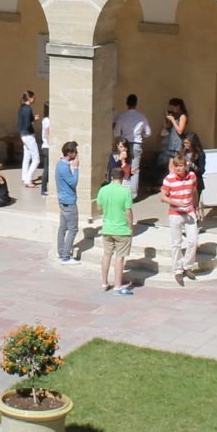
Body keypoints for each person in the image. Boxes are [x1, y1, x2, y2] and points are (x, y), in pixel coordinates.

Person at [95, 166, 136, 296]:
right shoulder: (125, 192)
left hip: (107, 228)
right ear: (123, 178)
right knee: (119, 257)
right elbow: (128, 211)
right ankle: (117, 286)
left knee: (106, 255)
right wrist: (131, 225)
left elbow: (98, 208)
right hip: (122, 229)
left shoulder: (103, 190)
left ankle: (104, 282)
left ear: (112, 177)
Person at [161, 152, 200, 284]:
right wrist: (176, 203)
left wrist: (197, 207)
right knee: (176, 243)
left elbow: (194, 192)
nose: (178, 169)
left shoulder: (192, 176)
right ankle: (177, 270)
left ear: (185, 166)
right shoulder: (169, 179)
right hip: (175, 213)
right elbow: (163, 197)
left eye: (180, 166)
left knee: (193, 241)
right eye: (176, 166)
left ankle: (187, 266)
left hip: (189, 212)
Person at [113, 94, 151, 199]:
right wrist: (140, 136)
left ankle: (121, 191)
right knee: (135, 169)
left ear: (126, 103)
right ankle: (132, 195)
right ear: (136, 103)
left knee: (123, 166)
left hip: (124, 144)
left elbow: (116, 133)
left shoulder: (122, 117)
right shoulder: (141, 117)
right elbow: (148, 132)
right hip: (136, 144)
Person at [54, 141, 80, 265]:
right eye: (75, 151)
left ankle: (61, 252)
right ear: (70, 153)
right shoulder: (64, 167)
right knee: (73, 229)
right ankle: (65, 257)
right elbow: (73, 182)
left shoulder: (60, 164)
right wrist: (76, 169)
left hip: (62, 200)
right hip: (69, 202)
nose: (77, 153)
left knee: (63, 228)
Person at [155, 97, 188, 192]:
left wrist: (173, 120)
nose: (172, 109)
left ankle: (178, 186)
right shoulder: (175, 116)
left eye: (173, 107)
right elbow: (166, 127)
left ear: (178, 106)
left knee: (178, 165)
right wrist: (166, 118)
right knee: (171, 166)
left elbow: (180, 130)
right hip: (171, 143)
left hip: (178, 144)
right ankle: (172, 186)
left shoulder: (182, 116)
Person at [16, 90, 40, 187]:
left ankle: (25, 176)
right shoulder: (28, 109)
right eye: (33, 97)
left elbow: (25, 120)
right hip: (29, 135)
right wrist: (34, 120)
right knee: (36, 159)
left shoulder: (21, 107)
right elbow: (27, 123)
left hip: (23, 135)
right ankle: (28, 179)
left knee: (27, 157)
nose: (34, 99)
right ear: (29, 98)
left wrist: (32, 119)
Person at [37, 103, 52, 195]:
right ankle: (43, 189)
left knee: (47, 168)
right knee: (46, 168)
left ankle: (44, 188)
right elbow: (47, 133)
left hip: (45, 146)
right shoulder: (47, 120)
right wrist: (52, 144)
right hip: (47, 147)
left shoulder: (45, 120)